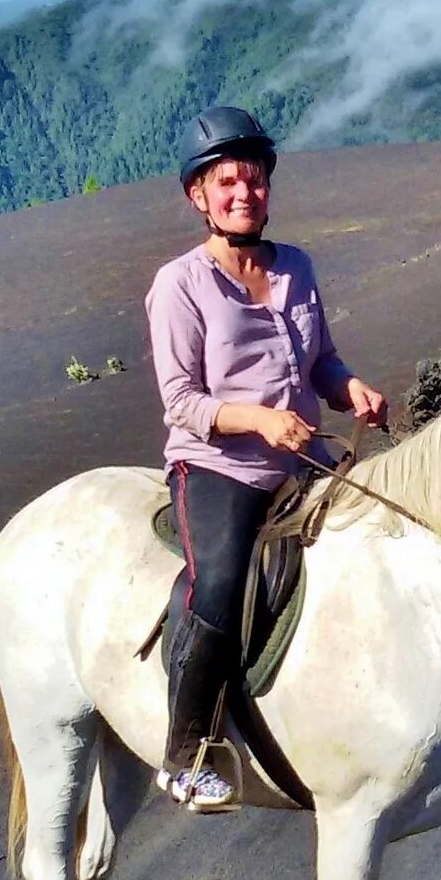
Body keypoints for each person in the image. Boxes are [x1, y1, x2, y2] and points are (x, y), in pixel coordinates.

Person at [145, 107, 387, 811]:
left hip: (302, 454)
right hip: (219, 466)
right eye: (227, 182)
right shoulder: (180, 284)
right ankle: (186, 751)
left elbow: (322, 362)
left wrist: (351, 390)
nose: (243, 193)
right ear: (199, 196)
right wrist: (258, 420)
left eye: (254, 179)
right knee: (218, 582)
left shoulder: (297, 267)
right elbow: (182, 400)